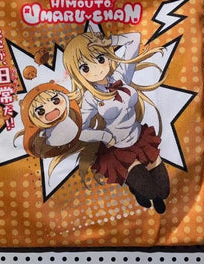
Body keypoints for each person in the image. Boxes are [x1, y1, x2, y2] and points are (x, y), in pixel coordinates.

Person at [63, 30, 170, 213]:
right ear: (77, 73)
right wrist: (103, 136)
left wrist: (110, 40)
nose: (96, 69)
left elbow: (134, 39)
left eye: (100, 58)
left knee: (164, 190)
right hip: (119, 150)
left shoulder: (121, 75)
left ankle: (141, 190)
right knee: (152, 191)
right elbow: (79, 131)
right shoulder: (90, 97)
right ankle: (141, 190)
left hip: (140, 139)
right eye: (85, 68)